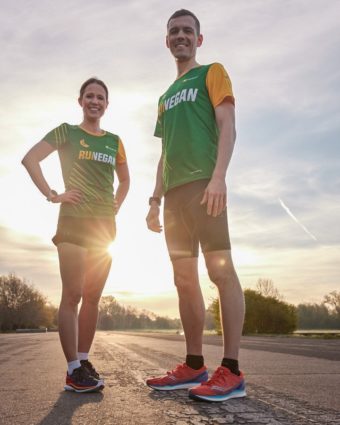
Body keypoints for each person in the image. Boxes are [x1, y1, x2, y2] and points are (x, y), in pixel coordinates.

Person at [146, 9, 246, 402]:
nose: (181, 36)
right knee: (184, 281)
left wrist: (219, 176)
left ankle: (233, 371)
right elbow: (164, 151)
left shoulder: (212, 73)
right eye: (174, 31)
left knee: (221, 272)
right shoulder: (165, 97)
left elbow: (228, 125)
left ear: (198, 39)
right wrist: (154, 200)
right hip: (174, 199)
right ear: (167, 40)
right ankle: (193, 365)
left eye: (188, 30)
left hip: (206, 187)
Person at [22, 78, 130, 393]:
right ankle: (71, 370)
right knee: (73, 295)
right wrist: (53, 194)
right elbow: (30, 159)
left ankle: (83, 362)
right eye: (89, 96)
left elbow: (124, 180)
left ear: (107, 105)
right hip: (73, 223)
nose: (94, 101)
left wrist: (118, 203)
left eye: (100, 97)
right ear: (80, 101)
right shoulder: (66, 132)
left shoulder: (114, 141)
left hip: (104, 228)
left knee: (94, 297)